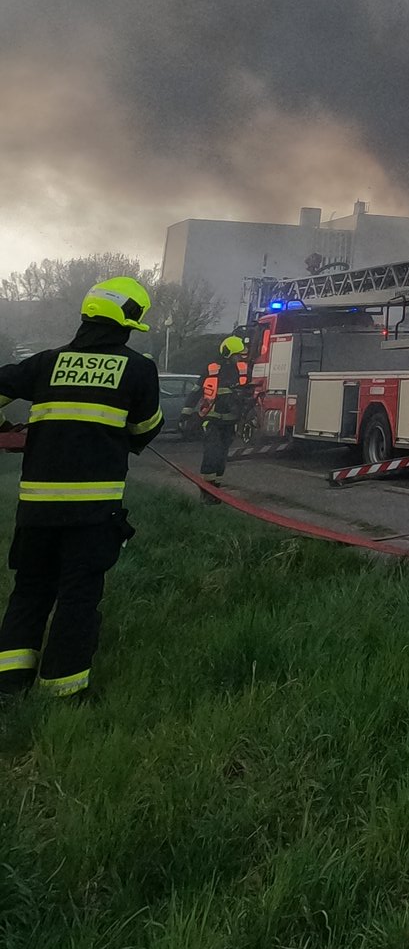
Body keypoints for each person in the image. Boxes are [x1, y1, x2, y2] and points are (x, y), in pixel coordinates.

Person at [0, 275, 161, 699]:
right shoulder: (138, 368)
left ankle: (9, 683)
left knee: (30, 590)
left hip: (36, 510)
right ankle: (64, 691)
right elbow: (145, 428)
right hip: (92, 513)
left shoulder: (46, 363)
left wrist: (4, 427)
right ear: (130, 321)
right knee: (78, 597)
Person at [199, 334, 249, 491]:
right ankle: (206, 491)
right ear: (228, 353)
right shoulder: (212, 369)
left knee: (221, 455)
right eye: (237, 355)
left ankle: (216, 489)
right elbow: (197, 391)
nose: (239, 358)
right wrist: (186, 414)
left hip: (230, 422)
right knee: (211, 454)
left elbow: (247, 390)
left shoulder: (241, 370)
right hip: (212, 420)